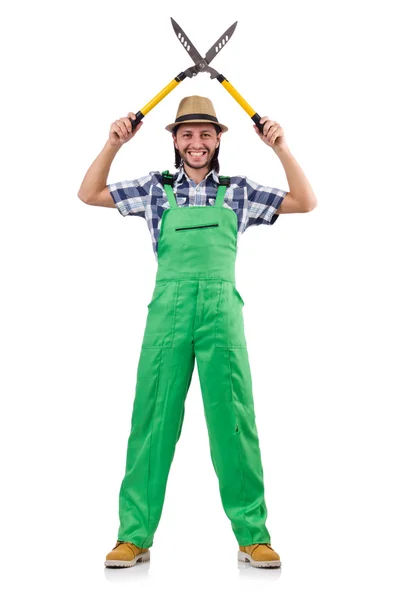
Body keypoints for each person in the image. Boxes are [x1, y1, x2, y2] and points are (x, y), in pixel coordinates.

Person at [78, 95, 317, 569]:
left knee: (234, 422)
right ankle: (134, 536)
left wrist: (282, 149)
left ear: (218, 139)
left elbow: (306, 203)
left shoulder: (239, 191)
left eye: (205, 133)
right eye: (187, 134)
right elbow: (88, 193)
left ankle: (253, 535)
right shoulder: (153, 189)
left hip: (221, 316)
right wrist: (112, 143)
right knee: (152, 420)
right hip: (167, 314)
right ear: (174, 139)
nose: (196, 142)